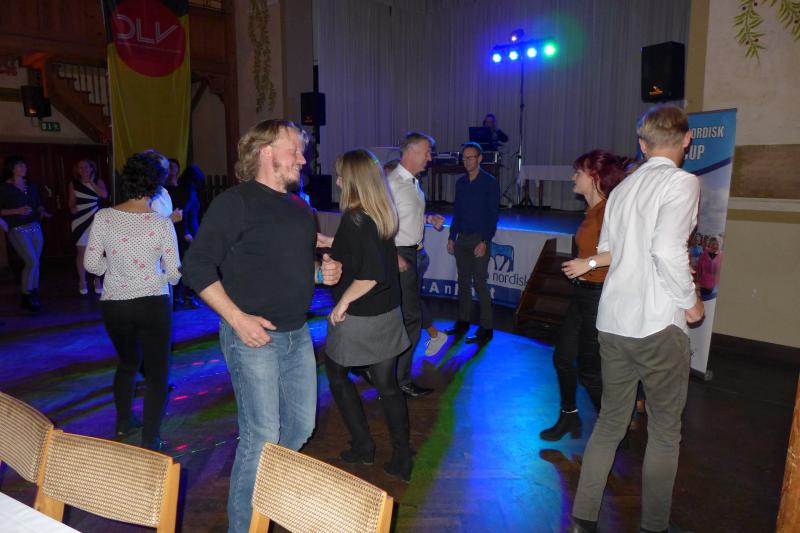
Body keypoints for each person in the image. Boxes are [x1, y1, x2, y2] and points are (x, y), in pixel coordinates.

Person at [181, 119, 342, 533]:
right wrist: (236, 318)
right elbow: (196, 266)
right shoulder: (235, 203)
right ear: (266, 151)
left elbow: (295, 267)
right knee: (261, 435)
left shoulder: (301, 207)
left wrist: (323, 273)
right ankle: (244, 526)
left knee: (301, 427)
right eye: (295, 150)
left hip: (297, 334)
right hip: (252, 338)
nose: (303, 159)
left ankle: (266, 491)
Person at [564, 105, 704, 533]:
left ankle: (583, 517)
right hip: (657, 324)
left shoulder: (623, 189)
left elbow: (610, 251)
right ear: (686, 140)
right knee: (664, 432)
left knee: (610, 422)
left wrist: (589, 263)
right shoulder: (682, 182)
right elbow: (666, 249)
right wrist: (692, 303)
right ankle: (654, 526)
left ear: (642, 145)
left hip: (613, 321)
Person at [326, 149, 414, 481]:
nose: (337, 182)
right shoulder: (379, 212)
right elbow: (368, 251)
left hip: (361, 316)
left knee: (336, 375)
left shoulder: (355, 218)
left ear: (353, 182)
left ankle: (364, 447)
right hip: (386, 312)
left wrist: (342, 303)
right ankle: (402, 457)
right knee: (388, 386)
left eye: (341, 177)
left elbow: (370, 275)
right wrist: (331, 241)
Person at [84, 150, 181, 451]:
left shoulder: (103, 217)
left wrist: (114, 269)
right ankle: (150, 438)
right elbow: (174, 274)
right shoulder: (161, 223)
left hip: (115, 304)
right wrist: (160, 272)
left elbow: (91, 264)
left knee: (127, 363)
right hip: (152, 303)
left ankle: (124, 422)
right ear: (156, 185)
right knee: (157, 373)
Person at [539, 150, 627, 441]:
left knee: (590, 372)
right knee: (562, 358)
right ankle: (569, 417)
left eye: (578, 172)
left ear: (595, 177)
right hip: (581, 294)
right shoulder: (593, 211)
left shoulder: (610, 210)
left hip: (598, 297)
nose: (572, 177)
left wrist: (587, 264)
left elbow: (626, 250)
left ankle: (615, 430)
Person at [387, 132, 445, 398]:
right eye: (426, 152)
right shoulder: (392, 184)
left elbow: (404, 218)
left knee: (405, 317)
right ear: (410, 152)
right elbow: (379, 224)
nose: (430, 158)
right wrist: (393, 253)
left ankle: (390, 375)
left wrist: (428, 219)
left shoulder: (413, 183)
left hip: (412, 253)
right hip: (400, 254)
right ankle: (400, 380)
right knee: (410, 318)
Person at [384, 158, 448, 356]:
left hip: (411, 255)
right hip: (413, 254)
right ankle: (428, 336)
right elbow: (411, 218)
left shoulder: (407, 189)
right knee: (408, 301)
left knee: (409, 302)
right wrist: (431, 218)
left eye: (388, 176)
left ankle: (433, 336)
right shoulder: (408, 191)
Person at [445, 143, 501, 344]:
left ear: (480, 159)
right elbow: (457, 212)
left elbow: (493, 215)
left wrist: (485, 241)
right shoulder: (461, 183)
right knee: (462, 281)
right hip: (462, 239)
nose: (467, 161)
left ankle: (487, 328)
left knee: (479, 283)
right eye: (464, 157)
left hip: (479, 239)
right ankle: (463, 321)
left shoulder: (489, 182)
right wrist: (452, 236)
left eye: (471, 157)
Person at [0, 155, 52, 312]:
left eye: (25, 165)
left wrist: (42, 211)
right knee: (31, 262)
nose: (24, 168)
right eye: (20, 166)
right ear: (11, 168)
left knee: (36, 262)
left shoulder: (31, 186)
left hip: (35, 226)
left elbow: (38, 204)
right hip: (18, 229)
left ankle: (33, 293)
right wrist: (16, 210)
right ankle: (26, 295)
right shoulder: (4, 188)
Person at [68, 158, 108, 295]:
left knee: (97, 252)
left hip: (96, 219)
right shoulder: (73, 183)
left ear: (91, 168)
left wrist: (91, 182)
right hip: (80, 220)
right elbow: (71, 202)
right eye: (80, 167)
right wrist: (72, 207)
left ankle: (97, 279)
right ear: (77, 170)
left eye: (86, 167)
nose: (83, 169)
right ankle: (82, 280)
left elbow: (104, 194)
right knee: (82, 252)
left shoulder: (98, 181)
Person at [696, 235, 723, 300]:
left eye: (717, 244)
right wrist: (698, 283)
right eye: (713, 244)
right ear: (709, 244)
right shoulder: (703, 255)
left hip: (716, 287)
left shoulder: (722, 256)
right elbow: (699, 269)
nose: (715, 246)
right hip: (704, 285)